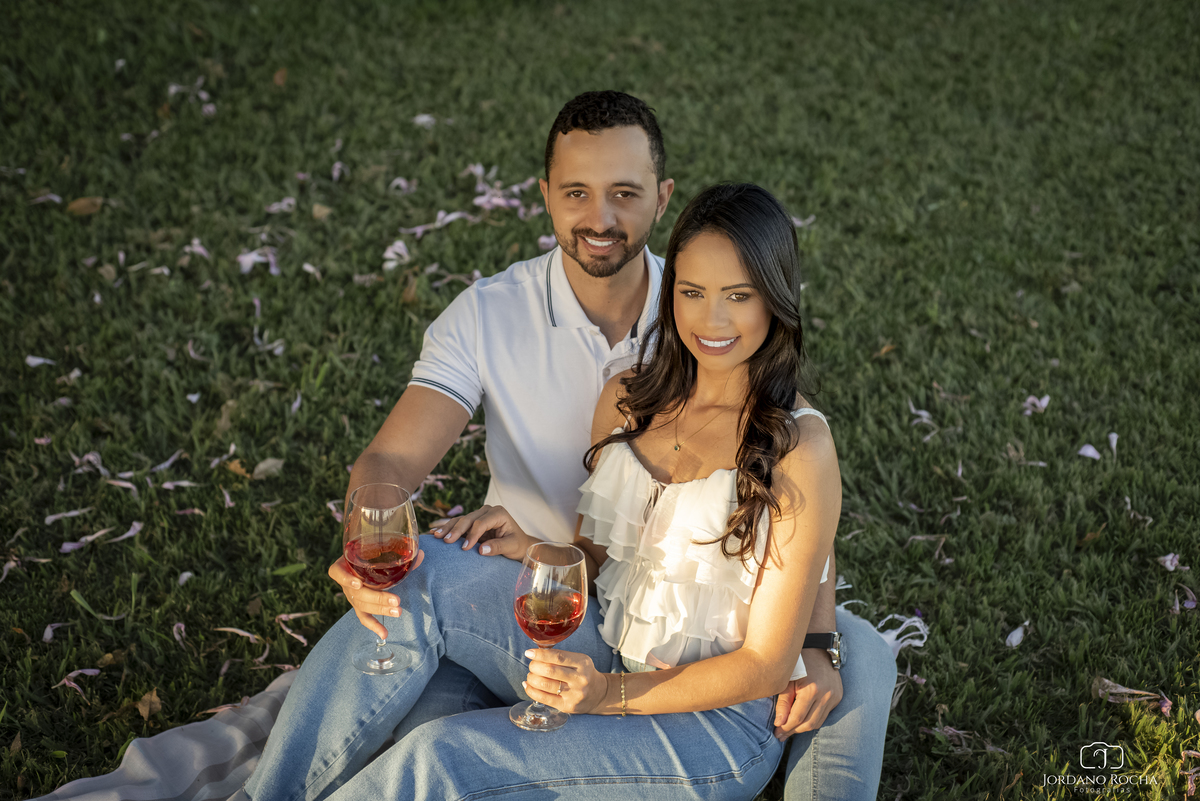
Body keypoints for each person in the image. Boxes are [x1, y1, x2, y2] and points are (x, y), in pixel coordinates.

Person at [240, 93, 894, 801]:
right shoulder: (627, 396)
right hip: (599, 637)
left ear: (775, 298)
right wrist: (530, 548)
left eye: (739, 296)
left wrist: (810, 646)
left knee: (440, 752)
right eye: (694, 292)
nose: (712, 318)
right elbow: (598, 557)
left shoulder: (798, 442)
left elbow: (768, 657)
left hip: (713, 720)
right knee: (420, 573)